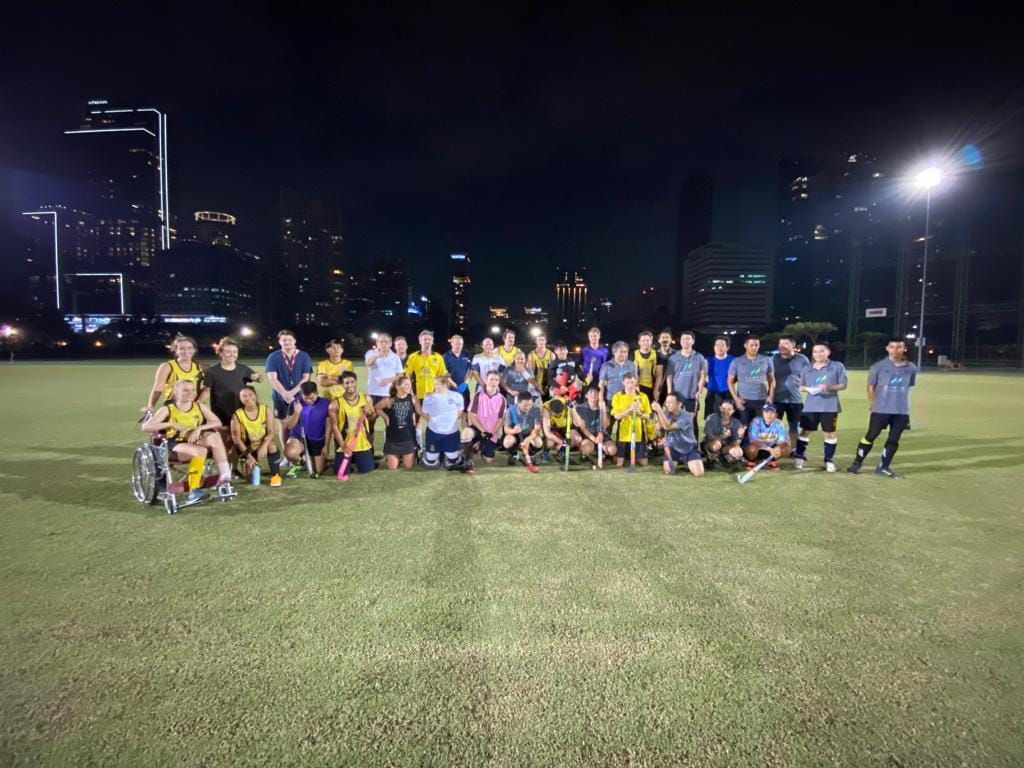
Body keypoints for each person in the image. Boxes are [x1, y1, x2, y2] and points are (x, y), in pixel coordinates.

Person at [141, 379, 232, 505]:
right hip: (175, 446)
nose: (190, 393)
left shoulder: (199, 406)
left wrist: (200, 428)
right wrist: (172, 423)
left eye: (192, 390)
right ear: (176, 392)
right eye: (185, 390)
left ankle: (225, 475)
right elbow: (145, 427)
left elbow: (217, 422)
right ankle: (193, 490)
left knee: (215, 437)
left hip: (195, 441)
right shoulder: (168, 409)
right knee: (200, 450)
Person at [848, 339, 917, 478]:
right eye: (892, 347)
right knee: (870, 436)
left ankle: (883, 467)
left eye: (899, 347)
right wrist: (873, 404)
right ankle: (857, 463)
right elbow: (871, 387)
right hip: (881, 409)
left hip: (901, 410)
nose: (895, 350)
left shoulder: (911, 368)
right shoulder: (878, 367)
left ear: (904, 349)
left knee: (894, 439)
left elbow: (909, 385)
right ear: (887, 348)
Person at [793, 342, 848, 472]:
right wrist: (807, 388)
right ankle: (799, 457)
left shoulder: (837, 366)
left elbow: (843, 385)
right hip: (811, 406)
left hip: (830, 407)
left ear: (828, 352)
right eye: (815, 351)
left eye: (821, 351)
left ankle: (829, 460)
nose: (818, 354)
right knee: (805, 431)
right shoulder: (807, 368)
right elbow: (801, 386)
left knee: (829, 433)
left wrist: (830, 387)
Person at [265, 330, 314, 452]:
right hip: (279, 396)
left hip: (299, 395)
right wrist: (284, 393)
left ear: (294, 341)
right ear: (280, 342)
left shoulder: (304, 356)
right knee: (283, 424)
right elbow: (272, 378)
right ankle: (286, 453)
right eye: (284, 340)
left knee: (297, 423)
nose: (287, 342)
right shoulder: (273, 357)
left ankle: (300, 451)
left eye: (289, 340)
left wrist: (291, 393)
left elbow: (306, 377)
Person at [203, 336, 261, 435]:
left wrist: (258, 377)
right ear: (220, 353)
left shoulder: (243, 369)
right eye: (228, 352)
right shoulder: (212, 371)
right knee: (224, 442)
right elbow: (207, 390)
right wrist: (198, 403)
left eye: (235, 352)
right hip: (221, 412)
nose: (232, 354)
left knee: (240, 440)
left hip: (240, 411)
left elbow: (254, 377)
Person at [230, 385, 282, 487]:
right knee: (251, 479)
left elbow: (271, 432)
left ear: (255, 395)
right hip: (247, 448)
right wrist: (249, 456)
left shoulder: (266, 409)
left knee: (272, 446)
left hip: (262, 444)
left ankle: (276, 475)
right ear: (240, 399)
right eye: (244, 396)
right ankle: (243, 466)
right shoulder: (237, 415)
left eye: (250, 394)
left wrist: (264, 445)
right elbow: (237, 440)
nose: (248, 398)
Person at [142, 334, 206, 414]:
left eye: (190, 348)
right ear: (175, 350)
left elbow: (207, 388)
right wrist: (151, 406)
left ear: (194, 350)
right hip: (173, 406)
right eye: (182, 348)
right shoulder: (167, 366)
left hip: (194, 407)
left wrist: (199, 402)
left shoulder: (201, 367)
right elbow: (158, 389)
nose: (186, 351)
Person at [419, 375, 471, 471]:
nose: (434, 387)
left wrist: (449, 422)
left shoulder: (457, 396)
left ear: (444, 384)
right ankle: (433, 454)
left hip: (451, 433)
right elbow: (424, 413)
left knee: (453, 460)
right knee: (431, 462)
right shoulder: (429, 397)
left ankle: (449, 453)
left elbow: (460, 412)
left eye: (436, 384)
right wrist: (434, 422)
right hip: (434, 433)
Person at [282, 381, 333, 476]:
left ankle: (308, 457)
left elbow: (329, 426)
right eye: (306, 398)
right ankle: (299, 463)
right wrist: (297, 413)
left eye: (312, 398)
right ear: (301, 395)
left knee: (318, 470)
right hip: (299, 437)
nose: (309, 401)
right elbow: (289, 426)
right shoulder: (295, 403)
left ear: (317, 393)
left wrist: (326, 445)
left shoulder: (326, 403)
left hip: (317, 439)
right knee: (290, 453)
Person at [665, 330, 708, 441]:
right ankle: (674, 445)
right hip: (677, 396)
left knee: (692, 421)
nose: (685, 341)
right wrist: (670, 392)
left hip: (691, 395)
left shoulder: (698, 357)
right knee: (674, 420)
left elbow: (703, 374)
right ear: (680, 341)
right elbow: (669, 376)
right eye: (683, 339)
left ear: (692, 341)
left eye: (688, 339)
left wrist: (699, 390)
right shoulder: (673, 358)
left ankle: (693, 445)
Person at [332, 371, 376, 477]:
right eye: (346, 383)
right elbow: (334, 426)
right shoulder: (335, 403)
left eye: (352, 382)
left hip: (362, 444)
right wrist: (343, 446)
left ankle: (360, 459)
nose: (350, 385)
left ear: (356, 382)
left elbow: (372, 417)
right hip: (345, 444)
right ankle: (346, 460)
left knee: (367, 470)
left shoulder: (366, 398)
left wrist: (369, 412)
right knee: (340, 472)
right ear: (342, 385)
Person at [365, 332, 405, 447]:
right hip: (372, 393)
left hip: (388, 395)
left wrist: (388, 380)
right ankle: (369, 450)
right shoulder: (371, 353)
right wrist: (378, 354)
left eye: (386, 342)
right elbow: (368, 363)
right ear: (377, 343)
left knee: (389, 422)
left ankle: (389, 450)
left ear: (390, 344)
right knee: (370, 421)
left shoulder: (395, 357)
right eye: (381, 342)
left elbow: (400, 375)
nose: (383, 344)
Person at [374, 374, 421, 470]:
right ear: (397, 386)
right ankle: (392, 457)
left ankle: (414, 452)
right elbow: (377, 408)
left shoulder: (413, 399)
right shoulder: (389, 400)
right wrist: (386, 417)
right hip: (393, 439)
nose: (409, 387)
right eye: (406, 385)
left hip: (408, 438)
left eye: (410, 384)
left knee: (409, 466)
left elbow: (420, 412)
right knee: (392, 468)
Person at [727, 335, 775, 426]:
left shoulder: (766, 360)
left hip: (762, 400)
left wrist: (770, 396)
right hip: (744, 401)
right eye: (751, 345)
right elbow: (730, 381)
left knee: (760, 429)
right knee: (743, 429)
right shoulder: (737, 361)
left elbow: (772, 380)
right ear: (745, 345)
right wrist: (736, 399)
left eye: (756, 345)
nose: (754, 347)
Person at [652, 394, 705, 476]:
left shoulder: (686, 416)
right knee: (668, 471)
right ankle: (683, 463)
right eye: (667, 402)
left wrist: (659, 411)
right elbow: (660, 434)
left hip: (689, 447)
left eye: (671, 402)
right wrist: (658, 428)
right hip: (672, 448)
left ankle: (689, 462)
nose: (668, 405)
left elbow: (668, 427)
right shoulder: (665, 414)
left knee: (699, 473)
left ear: (679, 404)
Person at [773, 335, 811, 447]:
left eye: (785, 344)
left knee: (794, 427)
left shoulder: (802, 359)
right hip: (776, 399)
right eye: (780, 344)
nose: (782, 347)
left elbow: (809, 376)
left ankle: (794, 449)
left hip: (795, 399)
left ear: (793, 345)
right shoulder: (773, 359)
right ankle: (774, 449)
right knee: (775, 426)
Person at [610, 372, 653, 468]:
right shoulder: (617, 396)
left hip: (638, 433)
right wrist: (629, 410)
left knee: (644, 464)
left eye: (632, 382)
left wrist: (640, 413)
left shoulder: (643, 396)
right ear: (623, 383)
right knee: (619, 464)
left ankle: (635, 454)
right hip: (623, 434)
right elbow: (616, 416)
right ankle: (618, 454)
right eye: (627, 382)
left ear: (636, 382)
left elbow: (649, 416)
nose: (630, 385)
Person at [465, 370, 507, 464]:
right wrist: (482, 431)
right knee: (466, 433)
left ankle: (480, 446)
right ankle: (468, 459)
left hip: (490, 433)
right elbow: (472, 416)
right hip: (478, 429)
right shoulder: (478, 395)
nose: (493, 382)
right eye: (491, 379)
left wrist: (491, 433)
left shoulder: (502, 399)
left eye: (496, 380)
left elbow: (501, 420)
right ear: (486, 380)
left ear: (499, 382)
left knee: (488, 460)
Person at [573, 385, 616, 463]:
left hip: (602, 435)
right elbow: (583, 428)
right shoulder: (580, 408)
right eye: (591, 392)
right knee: (586, 449)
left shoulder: (604, 407)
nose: (593, 394)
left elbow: (605, 425)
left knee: (612, 450)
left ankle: (603, 453)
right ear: (586, 395)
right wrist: (595, 439)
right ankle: (586, 454)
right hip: (588, 436)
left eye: (596, 392)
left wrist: (603, 410)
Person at [503, 390, 544, 470]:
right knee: (507, 442)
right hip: (516, 435)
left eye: (530, 405)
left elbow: (537, 429)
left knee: (539, 442)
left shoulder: (536, 410)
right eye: (525, 406)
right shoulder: (510, 411)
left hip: (529, 434)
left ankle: (531, 454)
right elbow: (506, 429)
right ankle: (515, 454)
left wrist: (528, 440)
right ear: (518, 402)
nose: (528, 407)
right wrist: (514, 431)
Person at [405, 329, 448, 402]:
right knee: (419, 413)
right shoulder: (413, 357)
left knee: (433, 414)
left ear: (432, 341)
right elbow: (408, 375)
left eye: (429, 339)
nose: (427, 341)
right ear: (420, 341)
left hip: (434, 394)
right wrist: (411, 392)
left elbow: (442, 377)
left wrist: (441, 392)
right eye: (424, 339)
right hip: (417, 394)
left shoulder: (438, 357)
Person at [745, 403, 790, 470]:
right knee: (751, 449)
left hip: (772, 450)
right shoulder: (756, 421)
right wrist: (769, 449)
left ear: (776, 415)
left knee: (787, 449)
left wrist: (777, 448)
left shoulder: (779, 424)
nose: (769, 415)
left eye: (772, 412)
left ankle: (771, 461)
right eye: (766, 412)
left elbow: (782, 441)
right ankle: (752, 461)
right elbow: (754, 441)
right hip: (759, 449)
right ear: (762, 413)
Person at [702, 399, 746, 467]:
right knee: (717, 445)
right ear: (719, 408)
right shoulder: (712, 418)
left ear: (733, 411)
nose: (726, 411)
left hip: (726, 446)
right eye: (723, 408)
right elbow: (709, 437)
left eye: (729, 409)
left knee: (739, 452)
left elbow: (736, 444)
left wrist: (740, 436)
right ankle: (712, 458)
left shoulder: (736, 423)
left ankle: (725, 458)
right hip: (711, 444)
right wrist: (723, 437)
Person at [598, 341, 637, 408]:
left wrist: (636, 398)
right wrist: (600, 400)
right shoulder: (606, 365)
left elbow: (636, 383)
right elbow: (601, 384)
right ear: (614, 352)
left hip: (628, 398)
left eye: (625, 352)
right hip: (611, 399)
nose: (624, 354)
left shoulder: (632, 365)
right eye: (621, 352)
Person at [316, 338, 354, 403]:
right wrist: (341, 380)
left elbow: (349, 382)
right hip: (327, 398)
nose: (336, 350)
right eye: (333, 347)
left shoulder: (348, 364)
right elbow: (322, 382)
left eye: (339, 347)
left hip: (344, 398)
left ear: (342, 350)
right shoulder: (322, 364)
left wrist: (329, 377)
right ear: (328, 350)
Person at [705, 336, 734, 417]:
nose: (719, 347)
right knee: (711, 419)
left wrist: (729, 384)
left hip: (728, 393)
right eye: (717, 345)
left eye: (722, 345)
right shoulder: (708, 361)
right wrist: (707, 385)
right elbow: (699, 376)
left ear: (727, 347)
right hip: (712, 394)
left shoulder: (733, 360)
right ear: (714, 347)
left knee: (727, 419)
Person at [542, 393, 576, 461]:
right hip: (554, 428)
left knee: (575, 439)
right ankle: (546, 451)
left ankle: (562, 451)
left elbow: (578, 423)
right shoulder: (546, 409)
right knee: (550, 442)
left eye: (559, 414)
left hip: (565, 427)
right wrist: (561, 442)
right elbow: (548, 433)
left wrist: (573, 409)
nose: (558, 416)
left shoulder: (567, 404)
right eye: (556, 415)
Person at [443, 334, 473, 411]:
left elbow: (469, 371)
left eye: (460, 344)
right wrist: (454, 385)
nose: (458, 346)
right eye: (456, 343)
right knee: (450, 410)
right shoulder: (446, 356)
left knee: (465, 410)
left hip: (464, 387)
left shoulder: (466, 355)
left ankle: (464, 423)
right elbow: (444, 373)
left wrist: (465, 383)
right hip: (450, 388)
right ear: (451, 343)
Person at [633, 330, 658, 403]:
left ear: (651, 341)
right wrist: (636, 388)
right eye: (643, 340)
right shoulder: (633, 354)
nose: (645, 342)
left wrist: (656, 389)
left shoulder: (656, 354)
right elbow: (632, 372)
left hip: (652, 387)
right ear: (639, 342)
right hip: (638, 386)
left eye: (648, 340)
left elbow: (659, 374)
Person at [652, 329, 675, 404]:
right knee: (657, 409)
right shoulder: (654, 354)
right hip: (658, 386)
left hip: (673, 386)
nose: (665, 339)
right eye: (663, 337)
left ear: (671, 340)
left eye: (667, 337)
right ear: (659, 340)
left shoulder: (677, 354)